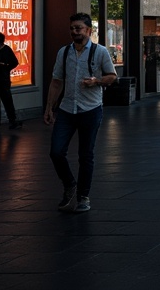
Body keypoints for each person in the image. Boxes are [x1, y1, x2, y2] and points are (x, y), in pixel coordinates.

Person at [44, 12, 117, 213]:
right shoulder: (64, 52)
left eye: (79, 28)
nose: (74, 32)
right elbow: (57, 81)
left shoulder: (100, 52)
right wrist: (50, 107)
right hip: (67, 109)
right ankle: (69, 184)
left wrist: (97, 81)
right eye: (72, 28)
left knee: (86, 155)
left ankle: (83, 196)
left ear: (88, 30)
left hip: (91, 109)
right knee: (56, 152)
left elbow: (112, 76)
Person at [0, 31, 23, 131]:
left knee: (3, 102)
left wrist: (5, 66)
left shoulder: (1, 50)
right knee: (1, 102)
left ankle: (3, 122)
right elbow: (14, 62)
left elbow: (14, 62)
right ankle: (2, 122)